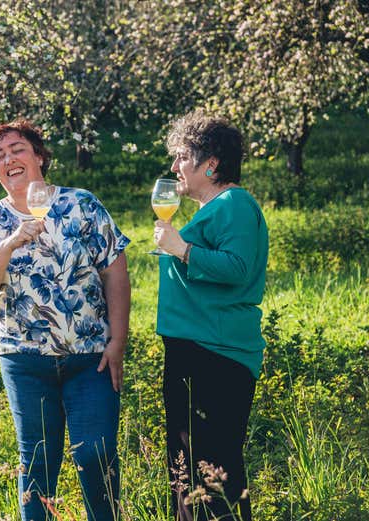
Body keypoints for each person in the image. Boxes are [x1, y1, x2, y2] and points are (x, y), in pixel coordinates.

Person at [0, 119, 131, 520]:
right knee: (37, 461)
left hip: (90, 356)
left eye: (17, 149)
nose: (8, 160)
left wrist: (118, 341)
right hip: (25, 361)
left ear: (38, 156)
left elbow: (116, 274)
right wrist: (10, 242)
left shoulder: (81, 204)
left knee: (97, 453)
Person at [153, 110, 268, 521]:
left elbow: (237, 268)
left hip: (215, 355)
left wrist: (180, 249)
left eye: (182, 157)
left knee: (214, 471)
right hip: (195, 352)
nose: (174, 167)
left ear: (211, 164)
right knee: (190, 470)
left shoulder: (235, 203)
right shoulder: (213, 208)